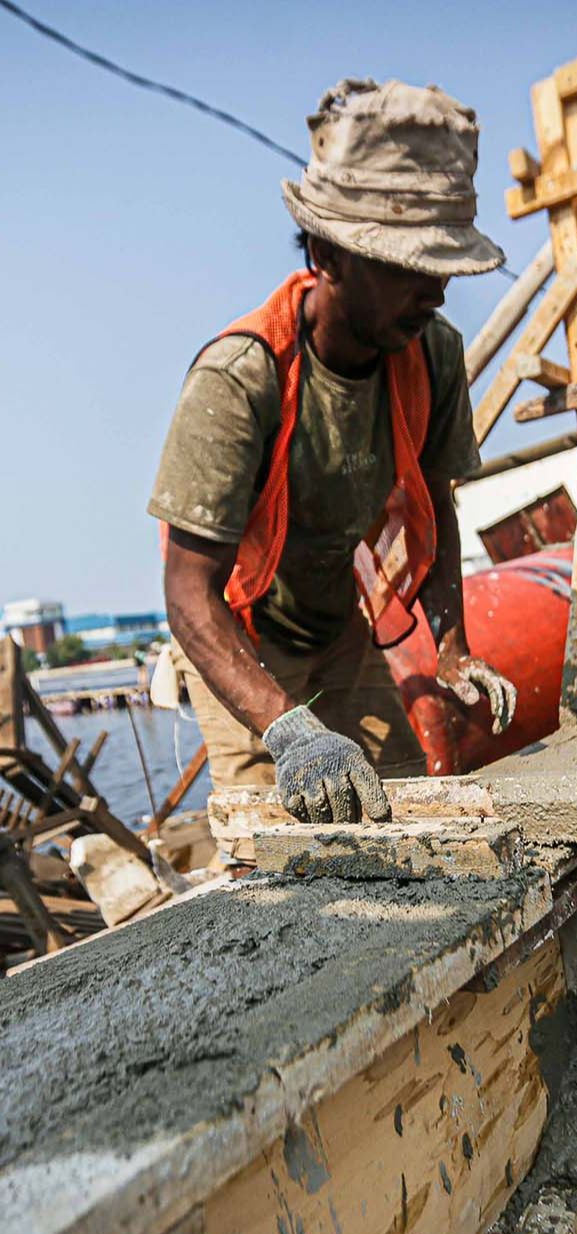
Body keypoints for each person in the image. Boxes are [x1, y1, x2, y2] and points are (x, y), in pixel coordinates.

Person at [148, 78, 517, 825]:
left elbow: (437, 509)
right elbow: (188, 592)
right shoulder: (241, 378)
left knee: (409, 808)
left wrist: (451, 649)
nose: (438, 293)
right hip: (239, 638)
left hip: (338, 624)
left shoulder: (430, 354)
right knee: (274, 854)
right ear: (328, 255)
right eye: (410, 268)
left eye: (442, 267)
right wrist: (290, 731)